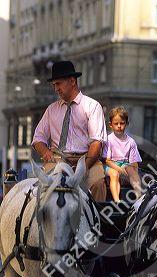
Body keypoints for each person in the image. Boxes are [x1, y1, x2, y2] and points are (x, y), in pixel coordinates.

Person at [31, 60, 107, 201]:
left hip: (86, 158)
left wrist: (84, 167)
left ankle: (98, 222)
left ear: (72, 81)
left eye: (58, 83)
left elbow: (97, 142)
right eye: (54, 85)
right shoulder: (51, 109)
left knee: (97, 184)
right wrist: (46, 152)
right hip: (58, 158)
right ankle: (41, 220)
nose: (56, 89)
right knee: (42, 187)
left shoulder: (92, 106)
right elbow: (38, 139)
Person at [103, 107, 142, 202]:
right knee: (114, 174)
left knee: (131, 170)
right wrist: (120, 169)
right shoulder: (109, 140)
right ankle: (117, 200)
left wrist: (133, 172)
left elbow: (134, 162)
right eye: (116, 124)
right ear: (110, 125)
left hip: (124, 165)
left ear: (127, 124)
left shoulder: (131, 142)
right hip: (110, 166)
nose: (119, 126)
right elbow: (107, 161)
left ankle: (139, 195)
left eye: (122, 123)